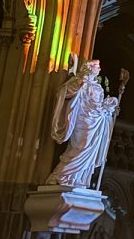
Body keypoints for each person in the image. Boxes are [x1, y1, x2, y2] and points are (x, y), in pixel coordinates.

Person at [45, 60, 124, 189]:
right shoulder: (80, 82)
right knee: (80, 147)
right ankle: (60, 175)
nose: (99, 69)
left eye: (99, 67)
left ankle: (78, 179)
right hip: (84, 120)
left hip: (96, 120)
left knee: (90, 149)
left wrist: (110, 108)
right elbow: (64, 93)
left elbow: (99, 105)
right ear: (89, 68)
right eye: (96, 67)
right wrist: (80, 82)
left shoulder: (98, 87)